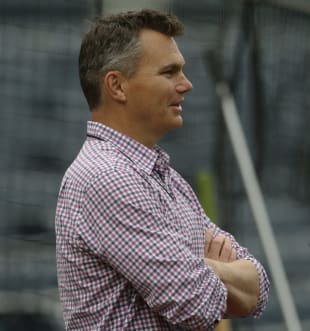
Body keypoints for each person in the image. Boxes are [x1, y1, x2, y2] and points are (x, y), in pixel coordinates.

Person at [55, 8, 270, 330]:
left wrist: (196, 266)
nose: (186, 85)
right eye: (169, 72)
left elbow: (260, 288)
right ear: (117, 86)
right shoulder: (109, 177)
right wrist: (214, 270)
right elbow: (197, 305)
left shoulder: (161, 175)